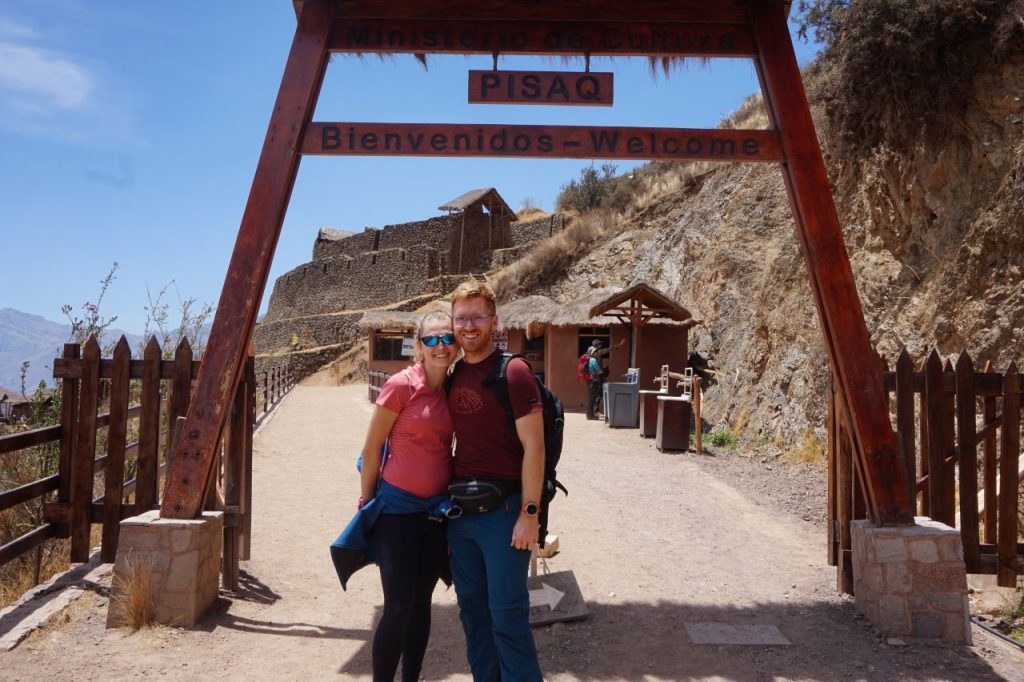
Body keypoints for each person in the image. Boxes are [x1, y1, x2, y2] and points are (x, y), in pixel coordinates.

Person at [335, 310, 458, 682]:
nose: (441, 346)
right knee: (398, 607)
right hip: (397, 514)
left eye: (447, 339)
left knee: (422, 604)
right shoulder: (402, 385)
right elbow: (371, 450)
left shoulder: (454, 389)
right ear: (419, 346)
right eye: (432, 339)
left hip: (435, 515)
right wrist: (366, 503)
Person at [445, 280, 544, 682]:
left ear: (494, 321)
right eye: (461, 318)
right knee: (473, 614)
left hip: (506, 513)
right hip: (461, 516)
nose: (469, 326)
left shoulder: (514, 372)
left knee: (507, 617)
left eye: (477, 317)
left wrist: (530, 513)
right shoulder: (453, 374)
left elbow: (535, 447)